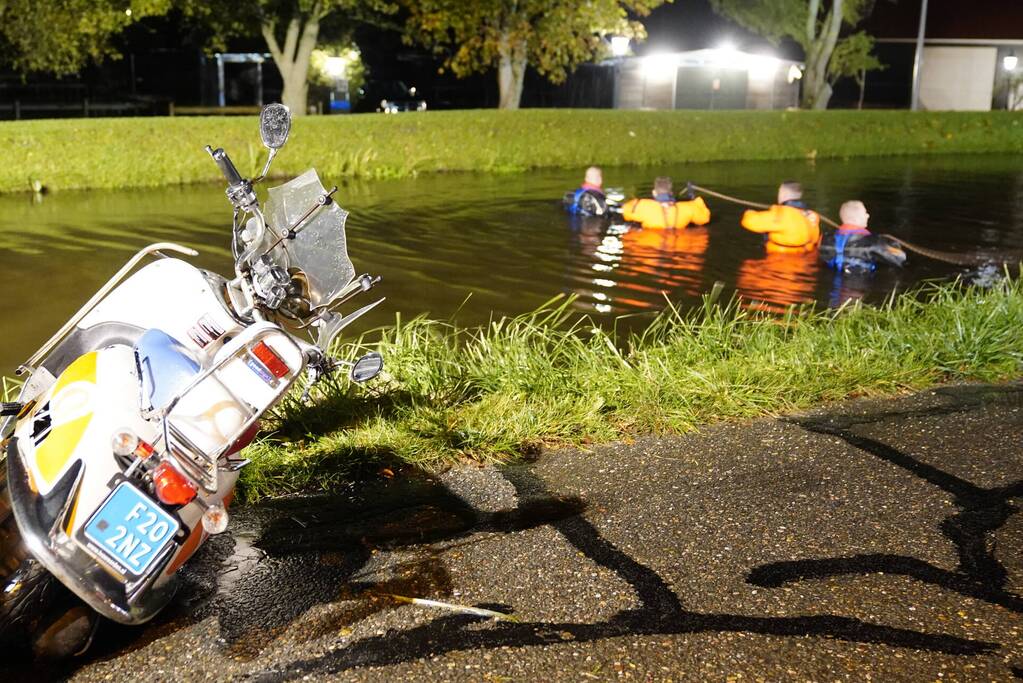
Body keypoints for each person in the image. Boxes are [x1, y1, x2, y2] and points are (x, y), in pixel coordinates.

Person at [819, 200, 906, 272]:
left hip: (833, 283)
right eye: (865, 213)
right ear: (856, 219)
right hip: (859, 286)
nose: (868, 215)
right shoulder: (873, 242)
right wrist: (892, 243)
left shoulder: (824, 238)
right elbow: (900, 258)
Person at [740, 181, 821, 253]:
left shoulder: (781, 214)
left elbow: (748, 222)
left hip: (779, 263)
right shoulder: (812, 215)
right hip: (806, 260)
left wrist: (749, 212)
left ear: (783, 194)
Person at [621, 177, 711, 229]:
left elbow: (626, 213)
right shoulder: (687, 208)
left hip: (651, 244)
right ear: (671, 193)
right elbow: (704, 218)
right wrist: (694, 199)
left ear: (654, 192)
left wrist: (635, 202)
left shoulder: (644, 206)